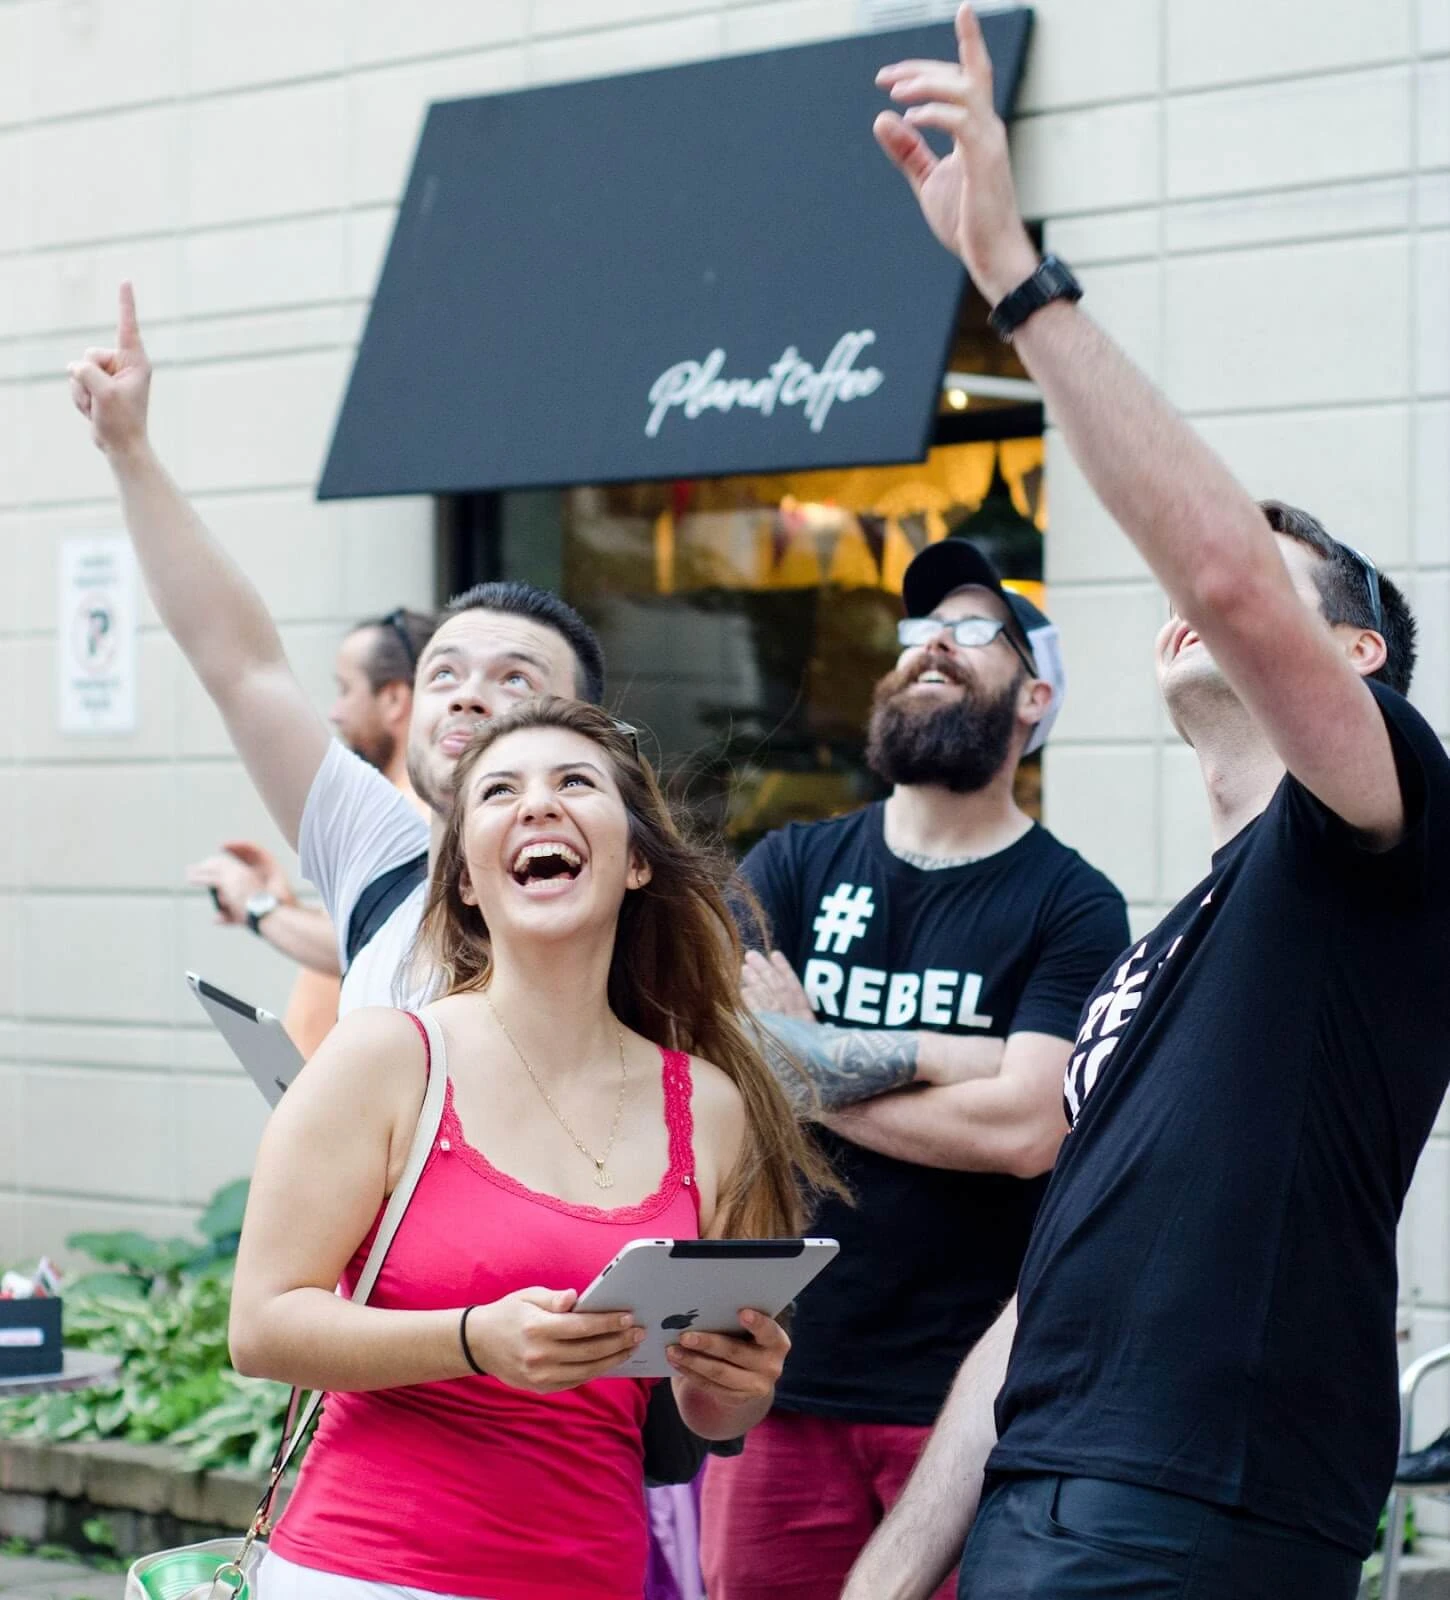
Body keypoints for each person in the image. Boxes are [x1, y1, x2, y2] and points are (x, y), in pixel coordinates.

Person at [843, 11, 1450, 1599]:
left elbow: (1231, 581)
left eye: (1258, 559)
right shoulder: (1155, 943)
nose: (1202, 580)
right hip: (1031, 1502)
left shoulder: (1375, 836)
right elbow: (1044, 1298)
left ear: (1363, 652)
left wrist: (1012, 275)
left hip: (1201, 1510)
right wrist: (898, 1563)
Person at [228, 697, 835, 1600]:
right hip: (362, 1574)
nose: (538, 805)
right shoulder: (388, 1057)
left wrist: (738, 1383)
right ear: (468, 879)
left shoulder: (710, 1108)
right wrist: (474, 1340)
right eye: (500, 791)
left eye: (575, 783)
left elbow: (707, 1411)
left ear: (635, 863)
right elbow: (262, 1327)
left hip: (593, 1575)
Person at [701, 540, 1128, 1600]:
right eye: (920, 629)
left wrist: (809, 1063)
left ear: (1033, 699)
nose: (934, 640)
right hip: (779, 1370)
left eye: (978, 630)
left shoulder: (1073, 903)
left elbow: (1029, 1128)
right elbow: (723, 1054)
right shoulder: (792, 863)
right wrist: (953, 1057)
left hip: (964, 1400)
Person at [68, 287, 602, 1020]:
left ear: (584, 734)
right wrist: (128, 449)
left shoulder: (632, 912)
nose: (466, 695)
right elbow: (239, 662)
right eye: (442, 672)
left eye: (514, 678)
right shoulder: (378, 853)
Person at [186, 606, 436, 1056]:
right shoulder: (398, 804)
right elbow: (366, 927)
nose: (335, 713)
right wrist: (287, 906)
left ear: (395, 700)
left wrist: (258, 908)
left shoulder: (413, 812)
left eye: (345, 690)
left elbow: (386, 941)